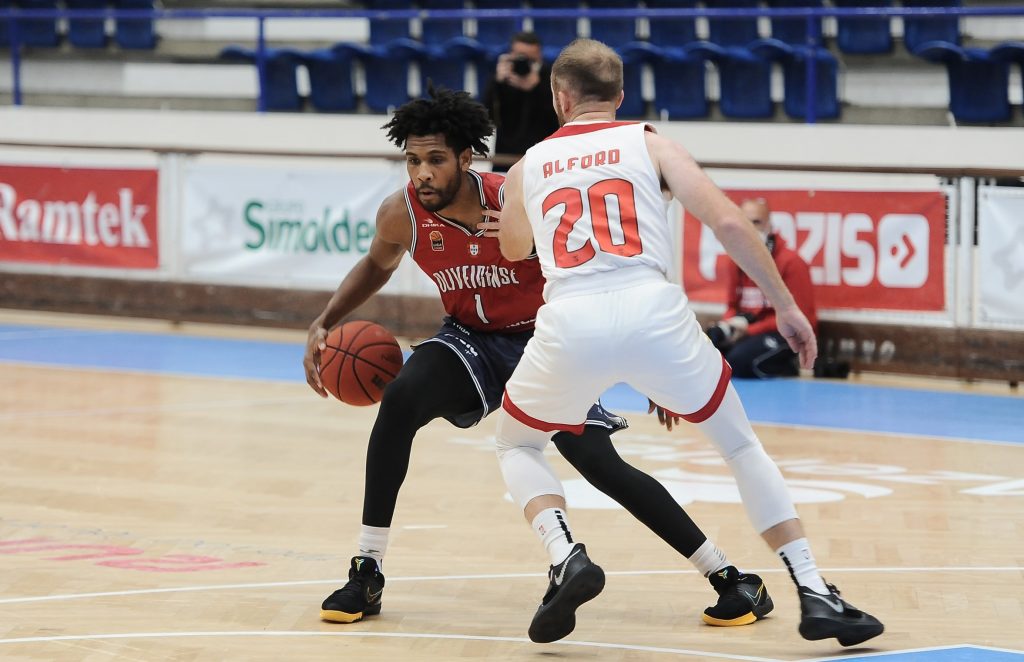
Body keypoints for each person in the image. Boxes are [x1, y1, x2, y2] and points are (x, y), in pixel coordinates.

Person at [304, 87, 773, 630]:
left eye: (435, 159)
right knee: (402, 398)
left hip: (546, 342)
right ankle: (367, 569)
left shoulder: (520, 197)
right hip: (470, 341)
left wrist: (654, 365)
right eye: (412, 161)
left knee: (599, 464)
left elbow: (610, 272)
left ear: (465, 157)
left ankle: (729, 578)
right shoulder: (402, 214)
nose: (422, 174)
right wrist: (327, 319)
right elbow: (376, 264)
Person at [489, 39, 884, 647]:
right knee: (740, 446)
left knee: (517, 442)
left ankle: (564, 553)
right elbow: (729, 222)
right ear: (620, 97)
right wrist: (785, 307)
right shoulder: (651, 143)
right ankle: (813, 589)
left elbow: (515, 250)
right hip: (654, 314)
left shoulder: (526, 166)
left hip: (570, 319)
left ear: (558, 98)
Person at [706, 198, 818, 379]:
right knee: (708, 355)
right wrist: (730, 326)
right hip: (748, 330)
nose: (750, 228)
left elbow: (803, 318)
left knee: (737, 362)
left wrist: (749, 330)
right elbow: (731, 305)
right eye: (744, 222)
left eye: (756, 222)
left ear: (769, 225)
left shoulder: (792, 263)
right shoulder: (734, 260)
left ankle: (788, 367)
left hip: (783, 334)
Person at [483, 32, 560, 172]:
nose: (524, 62)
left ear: (539, 56)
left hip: (542, 158)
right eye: (520, 57)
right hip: (506, 157)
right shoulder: (501, 78)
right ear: (510, 55)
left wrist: (536, 88)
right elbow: (487, 117)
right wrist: (497, 84)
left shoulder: (551, 77)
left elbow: (558, 119)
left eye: (531, 59)